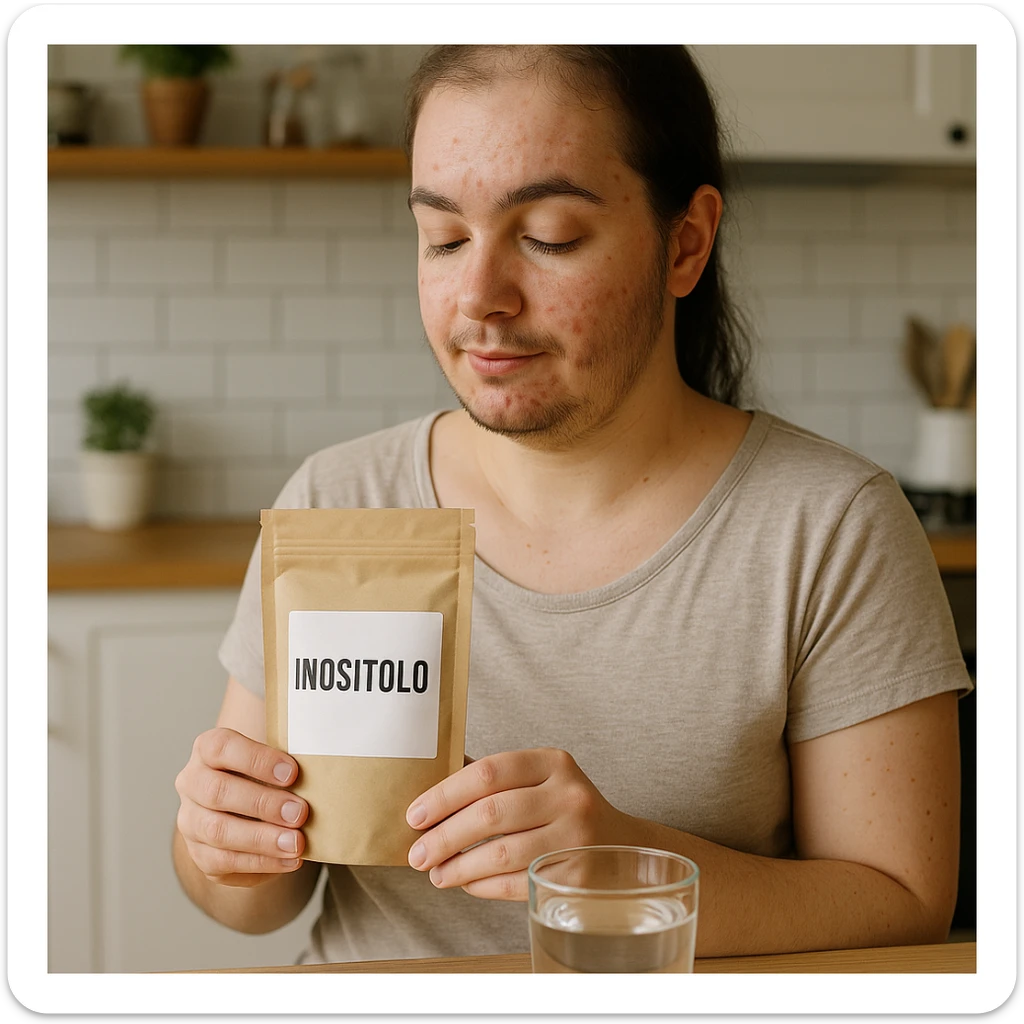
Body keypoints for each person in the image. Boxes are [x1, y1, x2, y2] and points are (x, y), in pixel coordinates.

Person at [172, 44, 972, 964]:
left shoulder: (829, 528)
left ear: (686, 243)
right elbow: (246, 903)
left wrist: (623, 870)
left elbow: (904, 902)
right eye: (443, 238)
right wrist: (223, 844)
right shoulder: (339, 502)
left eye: (549, 236)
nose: (480, 297)